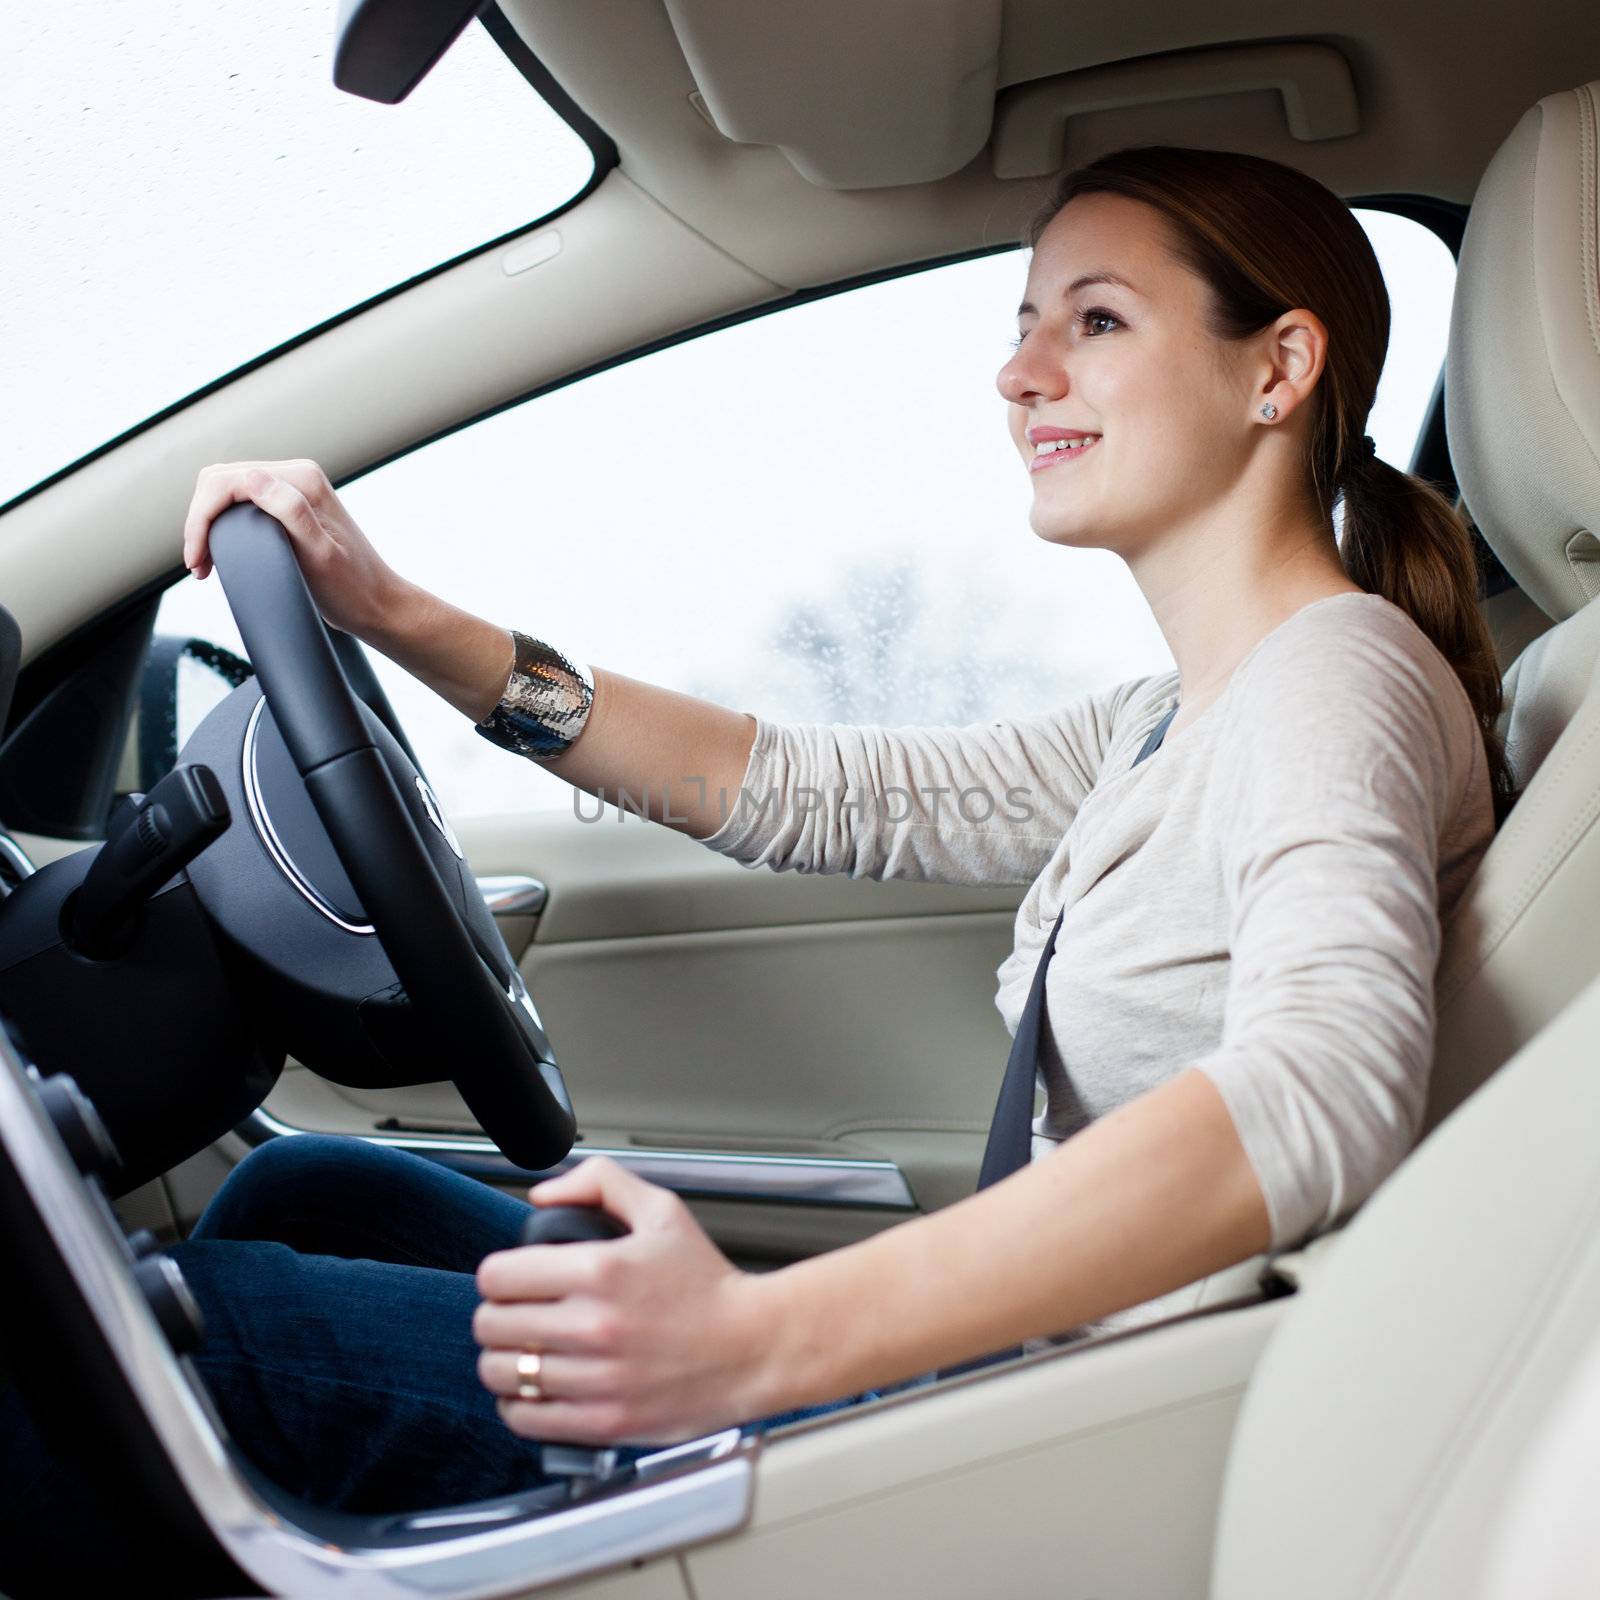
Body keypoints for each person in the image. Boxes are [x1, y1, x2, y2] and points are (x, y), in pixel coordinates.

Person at [5, 143, 1511, 1546]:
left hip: (1061, 1437)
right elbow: (783, 784)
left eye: (1096, 321)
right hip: (1014, 1368)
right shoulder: (1171, 719)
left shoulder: (1336, 675)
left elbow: (1320, 1090)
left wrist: (750, 1343)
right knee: (300, 1198)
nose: (1019, 372)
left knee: (142, 1349)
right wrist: (398, 616)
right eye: (1024, 322)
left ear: (1282, 367)